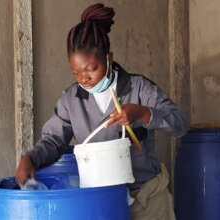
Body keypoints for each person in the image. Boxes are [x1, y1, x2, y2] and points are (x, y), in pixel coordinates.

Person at [15, 3, 188, 220]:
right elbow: (53, 141)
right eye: (76, 72)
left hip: (146, 200)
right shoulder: (71, 99)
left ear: (109, 57)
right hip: (100, 202)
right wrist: (30, 158)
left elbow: (180, 124)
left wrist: (143, 113)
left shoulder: (138, 88)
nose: (84, 79)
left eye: (91, 69)